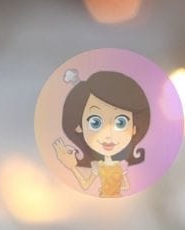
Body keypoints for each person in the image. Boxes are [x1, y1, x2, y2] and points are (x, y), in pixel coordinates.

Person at [52, 69, 150, 198]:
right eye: (95, 123)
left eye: (120, 123)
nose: (108, 135)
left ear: (134, 128)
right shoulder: (97, 166)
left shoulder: (120, 165)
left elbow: (126, 186)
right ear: (79, 126)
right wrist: (72, 167)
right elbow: (86, 185)